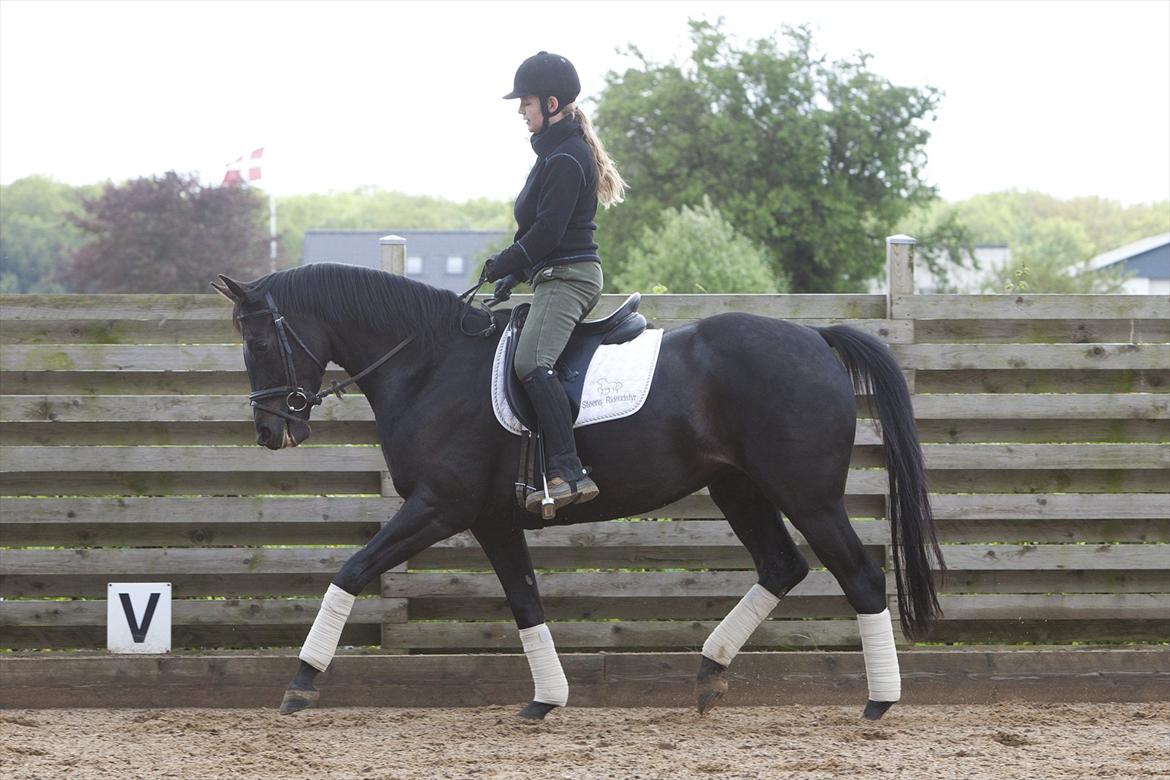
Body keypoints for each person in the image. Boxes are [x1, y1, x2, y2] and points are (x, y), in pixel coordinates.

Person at [484, 51, 628, 513]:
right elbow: (543, 234)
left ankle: (569, 471)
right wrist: (513, 272)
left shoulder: (565, 158)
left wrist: (506, 260)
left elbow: (547, 233)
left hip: (570, 276)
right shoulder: (553, 154)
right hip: (553, 273)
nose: (519, 111)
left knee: (531, 360)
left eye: (524, 102)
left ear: (550, 103)